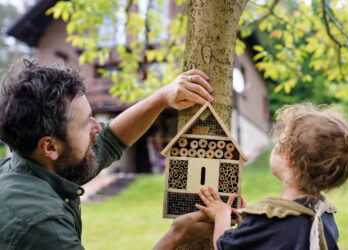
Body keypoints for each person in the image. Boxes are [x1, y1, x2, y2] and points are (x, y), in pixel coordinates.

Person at [0, 59, 214, 249]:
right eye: (86, 124)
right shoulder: (43, 224)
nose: (97, 128)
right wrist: (176, 236)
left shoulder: (32, 165)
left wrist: (162, 98)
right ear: (50, 147)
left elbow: (111, 139)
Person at [196, 103, 348, 250]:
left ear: (289, 156)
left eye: (279, 142)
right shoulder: (324, 217)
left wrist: (221, 216)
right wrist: (249, 228)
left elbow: (223, 247)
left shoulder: (271, 219)